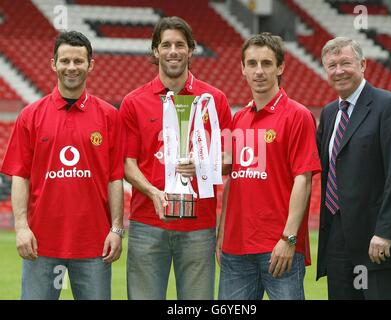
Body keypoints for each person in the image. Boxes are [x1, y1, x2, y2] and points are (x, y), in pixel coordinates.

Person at [0, 31, 125, 300]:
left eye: (78, 61)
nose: (71, 67)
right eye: (65, 60)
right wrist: (21, 227)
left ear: (90, 64)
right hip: (41, 245)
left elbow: (115, 178)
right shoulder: (30, 116)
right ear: (53, 64)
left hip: (94, 246)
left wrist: (116, 229)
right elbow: (19, 176)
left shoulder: (109, 116)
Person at [119, 16, 232, 300]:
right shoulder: (134, 101)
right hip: (148, 222)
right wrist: (152, 192)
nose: (173, 51)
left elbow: (229, 157)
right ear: (155, 50)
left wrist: (204, 165)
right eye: (166, 44)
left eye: (180, 45)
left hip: (199, 225)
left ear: (191, 50)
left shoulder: (214, 99)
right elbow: (126, 164)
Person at [216, 33, 321, 300]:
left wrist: (288, 239)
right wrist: (221, 234)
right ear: (242, 69)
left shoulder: (298, 115)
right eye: (252, 64)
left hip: (278, 248)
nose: (259, 71)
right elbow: (234, 181)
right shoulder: (238, 119)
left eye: (266, 63)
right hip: (235, 249)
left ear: (281, 67)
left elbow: (304, 180)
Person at [316, 37, 391, 300]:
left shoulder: (390, 106)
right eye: (332, 65)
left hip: (379, 241)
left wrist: (385, 232)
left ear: (362, 64)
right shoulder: (329, 113)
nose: (338, 70)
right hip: (338, 238)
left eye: (345, 63)